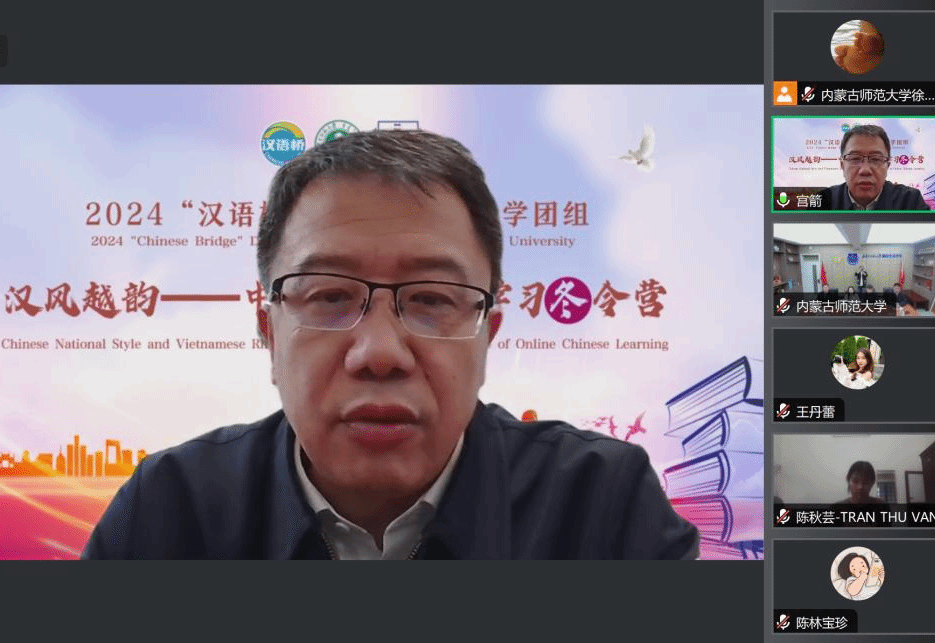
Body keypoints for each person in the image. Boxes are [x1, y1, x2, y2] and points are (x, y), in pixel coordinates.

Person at [80, 129, 699, 560]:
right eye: (329, 296)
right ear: (269, 333)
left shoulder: (601, 505)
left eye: (432, 299)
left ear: (487, 335)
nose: (379, 353)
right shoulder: (170, 510)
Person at [818, 125, 930, 211]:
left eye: (876, 159)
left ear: (888, 165)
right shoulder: (824, 201)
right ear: (842, 165)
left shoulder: (910, 201)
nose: (865, 170)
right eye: (855, 158)